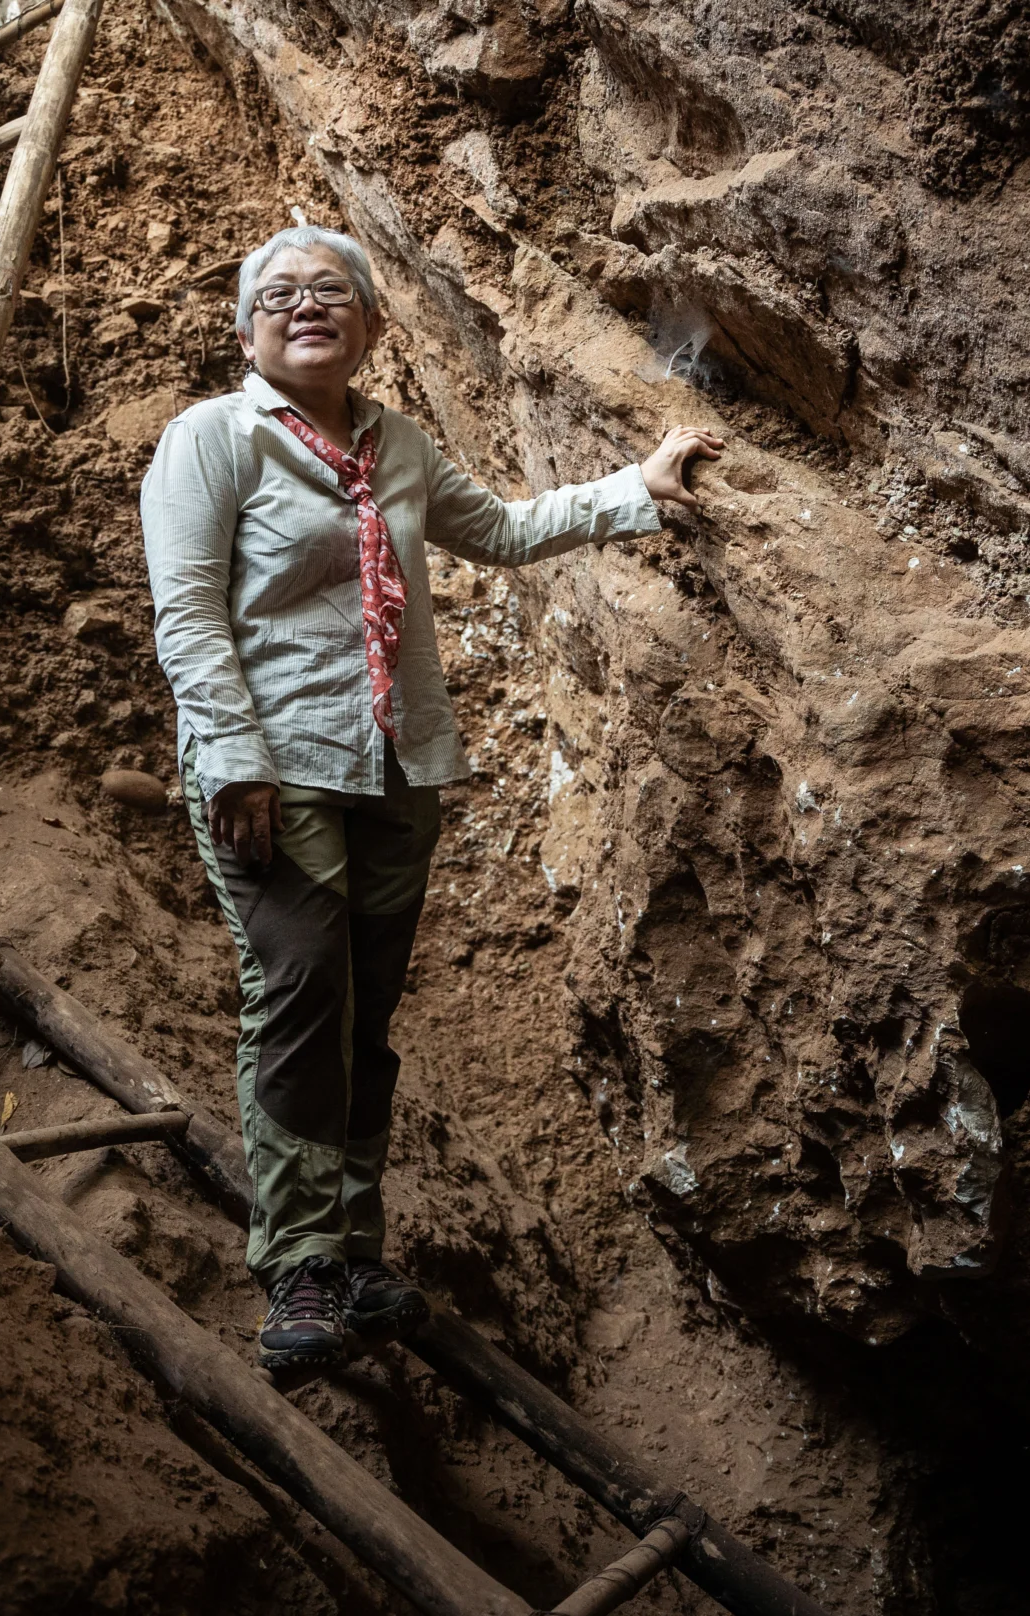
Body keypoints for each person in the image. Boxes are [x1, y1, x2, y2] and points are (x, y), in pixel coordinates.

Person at [140, 224, 723, 1373]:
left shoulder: (394, 442)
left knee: (363, 1011)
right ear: (245, 326)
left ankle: (357, 1250)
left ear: (369, 323)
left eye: (333, 292)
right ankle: (300, 1263)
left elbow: (499, 531)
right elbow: (191, 614)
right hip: (278, 765)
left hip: (398, 766)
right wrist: (234, 762)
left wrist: (634, 491)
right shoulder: (213, 439)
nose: (308, 305)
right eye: (281, 293)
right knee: (302, 991)